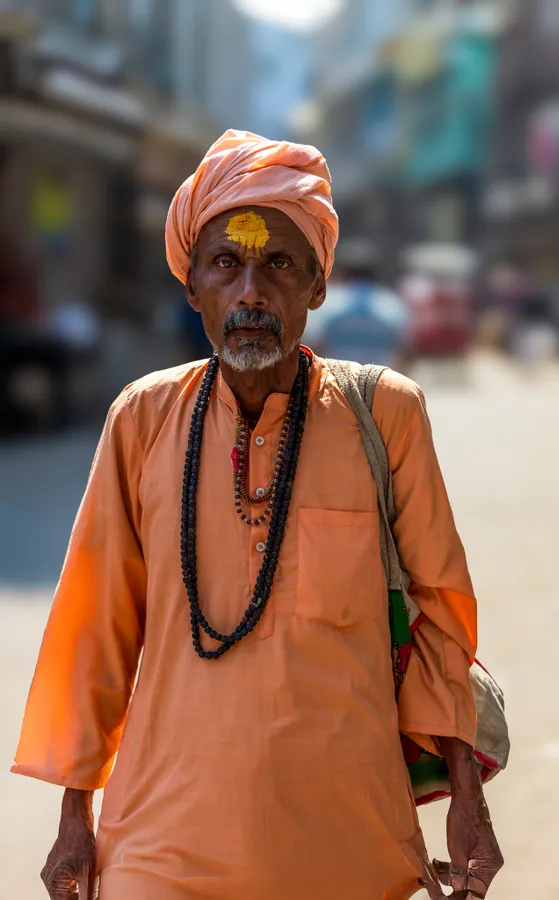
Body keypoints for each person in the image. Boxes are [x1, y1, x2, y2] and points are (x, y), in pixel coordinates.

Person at [13, 130, 502, 900]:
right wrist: (75, 816)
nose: (250, 292)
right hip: (160, 846)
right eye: (225, 264)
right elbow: (95, 630)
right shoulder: (141, 419)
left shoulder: (387, 416)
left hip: (351, 846)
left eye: (278, 264)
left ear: (316, 286)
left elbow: (441, 617)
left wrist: (468, 803)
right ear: (193, 288)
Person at [304, 238, 410, 371]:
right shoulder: (391, 303)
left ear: (342, 272)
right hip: (379, 381)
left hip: (336, 379)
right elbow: (405, 349)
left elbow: (313, 344)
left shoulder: (327, 301)